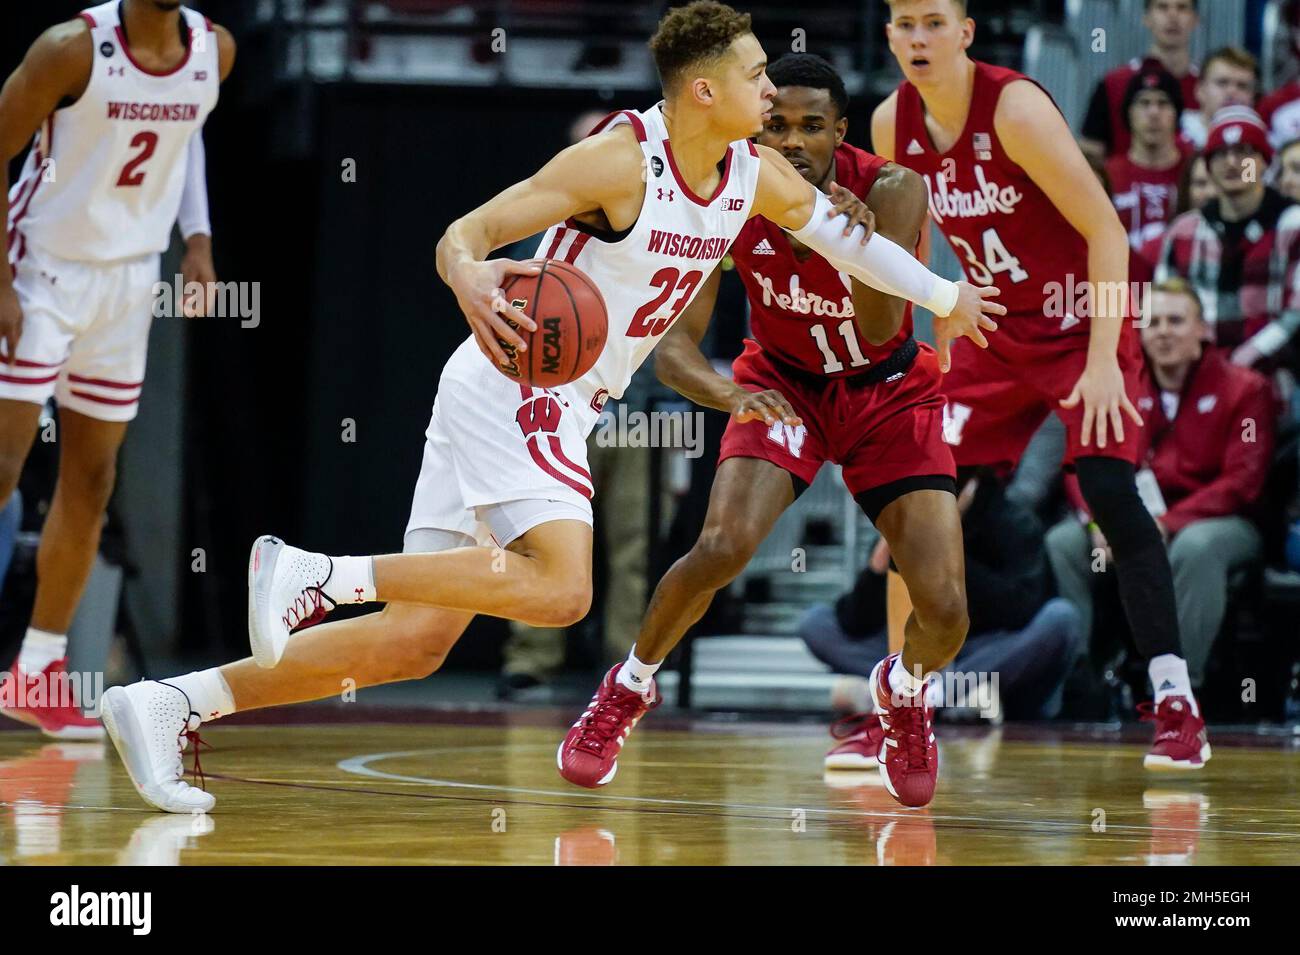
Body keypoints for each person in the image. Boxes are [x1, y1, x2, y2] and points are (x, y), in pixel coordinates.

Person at [98, 0, 1002, 814]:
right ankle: (320, 574)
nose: (770, 90)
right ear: (702, 91)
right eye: (757, 74)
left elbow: (853, 246)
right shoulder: (617, 160)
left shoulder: (748, 176)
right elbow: (469, 233)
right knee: (565, 589)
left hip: (541, 395)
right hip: (524, 384)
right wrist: (468, 275)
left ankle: (174, 700)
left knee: (415, 643)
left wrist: (943, 296)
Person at [555, 52, 1000, 808]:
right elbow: (674, 353)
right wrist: (732, 396)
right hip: (783, 383)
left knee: (948, 609)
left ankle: (904, 688)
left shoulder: (895, 189)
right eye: (778, 124)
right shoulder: (730, 193)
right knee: (721, 545)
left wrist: (843, 237)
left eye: (813, 127)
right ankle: (627, 687)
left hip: (887, 391)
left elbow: (880, 320)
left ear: (842, 132)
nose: (793, 142)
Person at [876, 0, 1212, 769]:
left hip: (1078, 323)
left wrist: (1102, 360)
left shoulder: (1016, 109)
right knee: (917, 500)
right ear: (891, 35)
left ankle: (1174, 699)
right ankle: (903, 700)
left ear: (965, 31)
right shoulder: (891, 122)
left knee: (1109, 491)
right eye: (903, 24)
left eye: (933, 22)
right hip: (991, 327)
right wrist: (941, 310)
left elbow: (1107, 230)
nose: (918, 38)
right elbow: (907, 245)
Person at [0, 1, 234, 739]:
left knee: (92, 480)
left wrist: (197, 240)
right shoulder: (71, 50)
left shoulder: (214, 53)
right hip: (41, 269)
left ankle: (35, 671)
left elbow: (186, 134)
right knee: (2, 470)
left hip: (130, 280)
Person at [1046, 279, 1275, 691]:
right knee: (1065, 544)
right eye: (1152, 322)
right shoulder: (1116, 385)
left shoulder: (1246, 389)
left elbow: (1243, 483)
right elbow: (1079, 465)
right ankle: (1079, 684)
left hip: (1216, 522)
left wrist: (1166, 523)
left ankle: (1178, 690)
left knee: (1196, 549)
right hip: (1127, 517)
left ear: (1202, 330)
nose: (1164, 331)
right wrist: (1100, 524)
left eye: (1176, 320)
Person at [803, 470, 1081, 742]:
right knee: (815, 623)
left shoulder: (1011, 519)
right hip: (914, 652)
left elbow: (1020, 607)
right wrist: (879, 564)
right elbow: (855, 621)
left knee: (1060, 619)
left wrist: (946, 555)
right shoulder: (903, 517)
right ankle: (943, 695)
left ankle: (899, 695)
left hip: (983, 647)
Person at [1156, 107, 1300, 370]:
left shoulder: (1293, 224)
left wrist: (1240, 362)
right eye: (1221, 154)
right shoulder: (1183, 231)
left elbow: (1296, 315)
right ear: (1208, 166)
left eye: (1243, 152)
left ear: (1263, 161)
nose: (1232, 163)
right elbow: (1164, 307)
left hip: (1282, 377)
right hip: (1199, 375)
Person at [1080, 0, 1200, 164]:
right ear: (1146, 17)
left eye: (1182, 7)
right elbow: (1090, 154)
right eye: (1162, 7)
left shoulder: (1210, 88)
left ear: (1195, 19)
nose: (1173, 16)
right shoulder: (1112, 84)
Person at [1106, 66, 1192, 251]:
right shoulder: (1107, 175)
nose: (1153, 113)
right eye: (1144, 103)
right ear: (1129, 112)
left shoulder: (1194, 172)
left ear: (1176, 114)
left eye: (1163, 103)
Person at [1181, 48, 1259, 150]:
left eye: (1242, 86)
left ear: (1252, 96)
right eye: (1222, 82)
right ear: (1200, 90)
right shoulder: (1176, 130)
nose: (1232, 92)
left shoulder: (1259, 143)